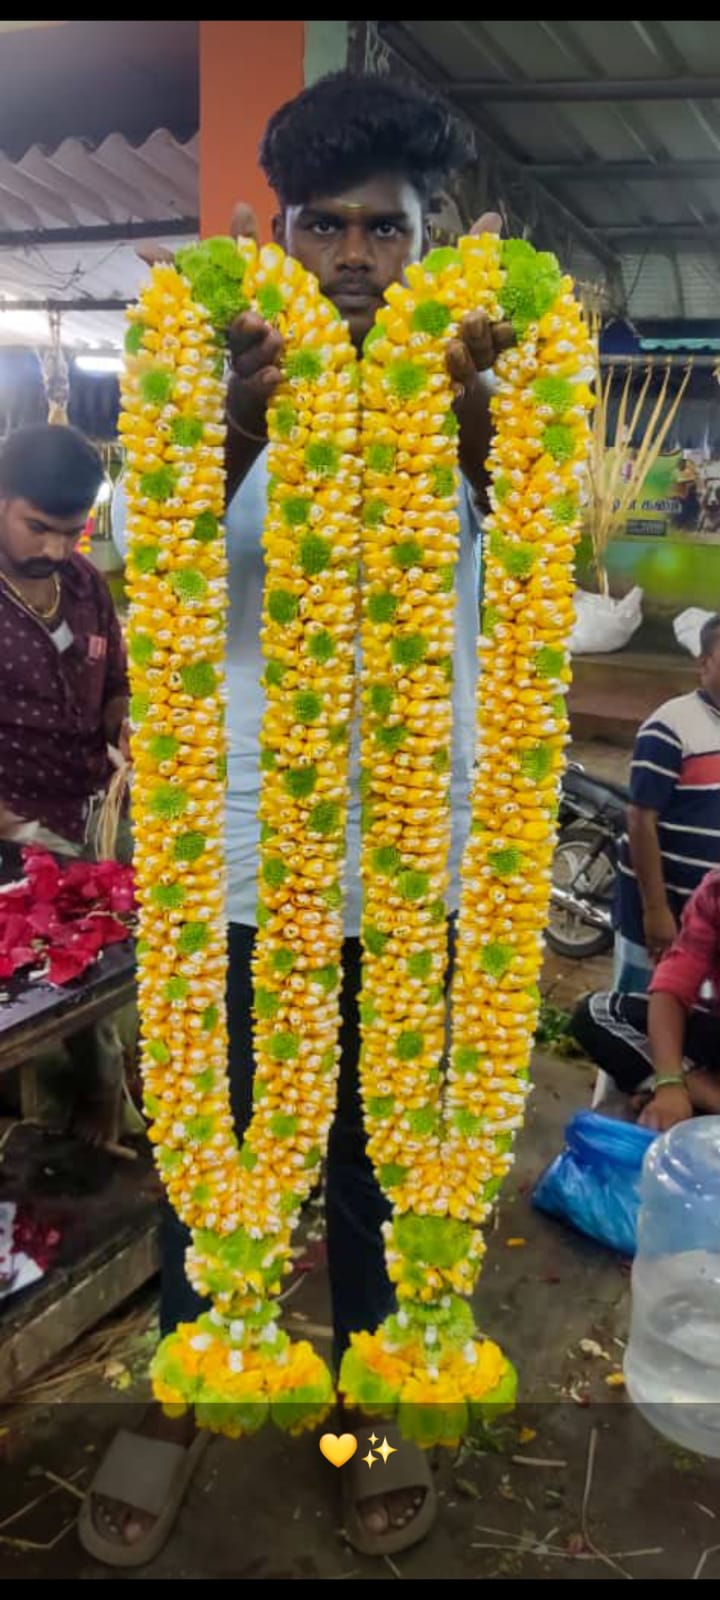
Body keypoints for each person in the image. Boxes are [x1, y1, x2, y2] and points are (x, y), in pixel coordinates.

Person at [88, 71, 512, 1567]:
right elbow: (144, 557)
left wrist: (477, 430)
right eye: (321, 224)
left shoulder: (492, 372)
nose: (351, 255)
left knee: (378, 1166)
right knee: (216, 1147)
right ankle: (198, 1379)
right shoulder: (204, 365)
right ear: (273, 231)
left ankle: (369, 1404)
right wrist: (232, 426)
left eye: (382, 227)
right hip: (244, 854)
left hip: (420, 864)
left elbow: (530, 573)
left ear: (428, 230)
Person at [0, 424, 129, 1144]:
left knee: (101, 1005)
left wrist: (123, 723)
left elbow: (116, 683)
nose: (54, 549)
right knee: (40, 1022)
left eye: (72, 531)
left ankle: (102, 1137)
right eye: (38, 527)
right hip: (13, 850)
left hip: (89, 829)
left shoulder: (81, 584)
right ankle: (47, 1154)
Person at [614, 612, 720, 993]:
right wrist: (656, 911)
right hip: (666, 914)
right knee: (640, 1014)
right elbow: (641, 820)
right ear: (704, 663)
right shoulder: (670, 727)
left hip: (709, 918)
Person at [574, 867, 720, 1132]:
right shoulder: (716, 890)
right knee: (599, 1013)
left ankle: (704, 1095)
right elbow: (674, 986)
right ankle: (692, 1088)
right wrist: (670, 1083)